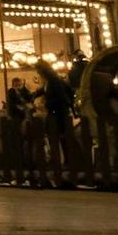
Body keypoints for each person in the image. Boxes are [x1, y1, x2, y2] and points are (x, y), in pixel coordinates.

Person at [33, 60, 78, 188]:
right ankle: (62, 172)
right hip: (59, 115)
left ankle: (61, 172)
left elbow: (62, 97)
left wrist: (48, 105)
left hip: (57, 115)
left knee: (58, 143)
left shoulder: (53, 82)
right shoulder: (54, 80)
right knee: (60, 143)